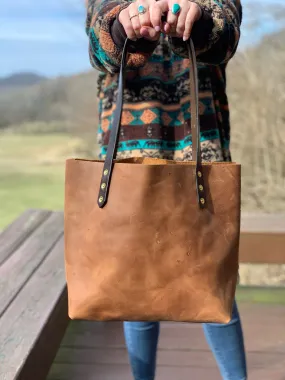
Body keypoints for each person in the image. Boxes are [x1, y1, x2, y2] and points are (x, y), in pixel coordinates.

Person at [85, 0, 247, 379]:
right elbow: (98, 47)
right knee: (137, 283)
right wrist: (122, 27)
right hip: (128, 154)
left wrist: (199, 20)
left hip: (200, 148)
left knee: (212, 274)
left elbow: (227, 35)